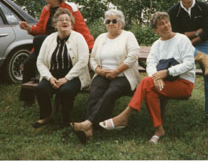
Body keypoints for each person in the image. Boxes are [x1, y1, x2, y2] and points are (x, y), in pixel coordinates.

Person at [99, 12, 195, 144]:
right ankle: (159, 130)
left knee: (146, 82)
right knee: (149, 91)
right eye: (161, 24)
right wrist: (156, 77)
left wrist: (166, 73)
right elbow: (150, 63)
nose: (166, 25)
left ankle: (124, 116)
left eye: (167, 22)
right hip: (164, 82)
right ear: (156, 30)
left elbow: (189, 64)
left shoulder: (182, 40)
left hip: (184, 84)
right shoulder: (157, 45)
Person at [19, 0, 94, 106]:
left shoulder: (70, 9)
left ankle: (49, 85)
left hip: (65, 45)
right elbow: (41, 29)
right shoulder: (46, 9)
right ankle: (28, 99)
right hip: (46, 46)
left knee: (38, 40)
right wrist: (29, 28)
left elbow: (82, 30)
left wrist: (91, 48)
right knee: (28, 64)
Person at [70, 9, 141, 143]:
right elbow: (92, 59)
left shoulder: (128, 36)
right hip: (102, 74)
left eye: (114, 21)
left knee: (111, 92)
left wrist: (116, 71)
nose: (111, 23)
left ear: (121, 23)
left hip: (123, 75)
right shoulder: (101, 38)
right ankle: (90, 129)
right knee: (95, 92)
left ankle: (88, 123)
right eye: (108, 21)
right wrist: (99, 71)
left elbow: (133, 56)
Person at [33, 8, 90, 128]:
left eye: (67, 20)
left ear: (71, 23)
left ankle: (66, 119)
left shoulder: (78, 38)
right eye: (61, 20)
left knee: (66, 91)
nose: (65, 22)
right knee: (41, 88)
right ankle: (46, 116)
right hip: (52, 75)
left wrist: (66, 78)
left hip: (74, 76)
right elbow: (40, 61)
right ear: (55, 24)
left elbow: (83, 61)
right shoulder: (49, 39)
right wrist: (49, 78)